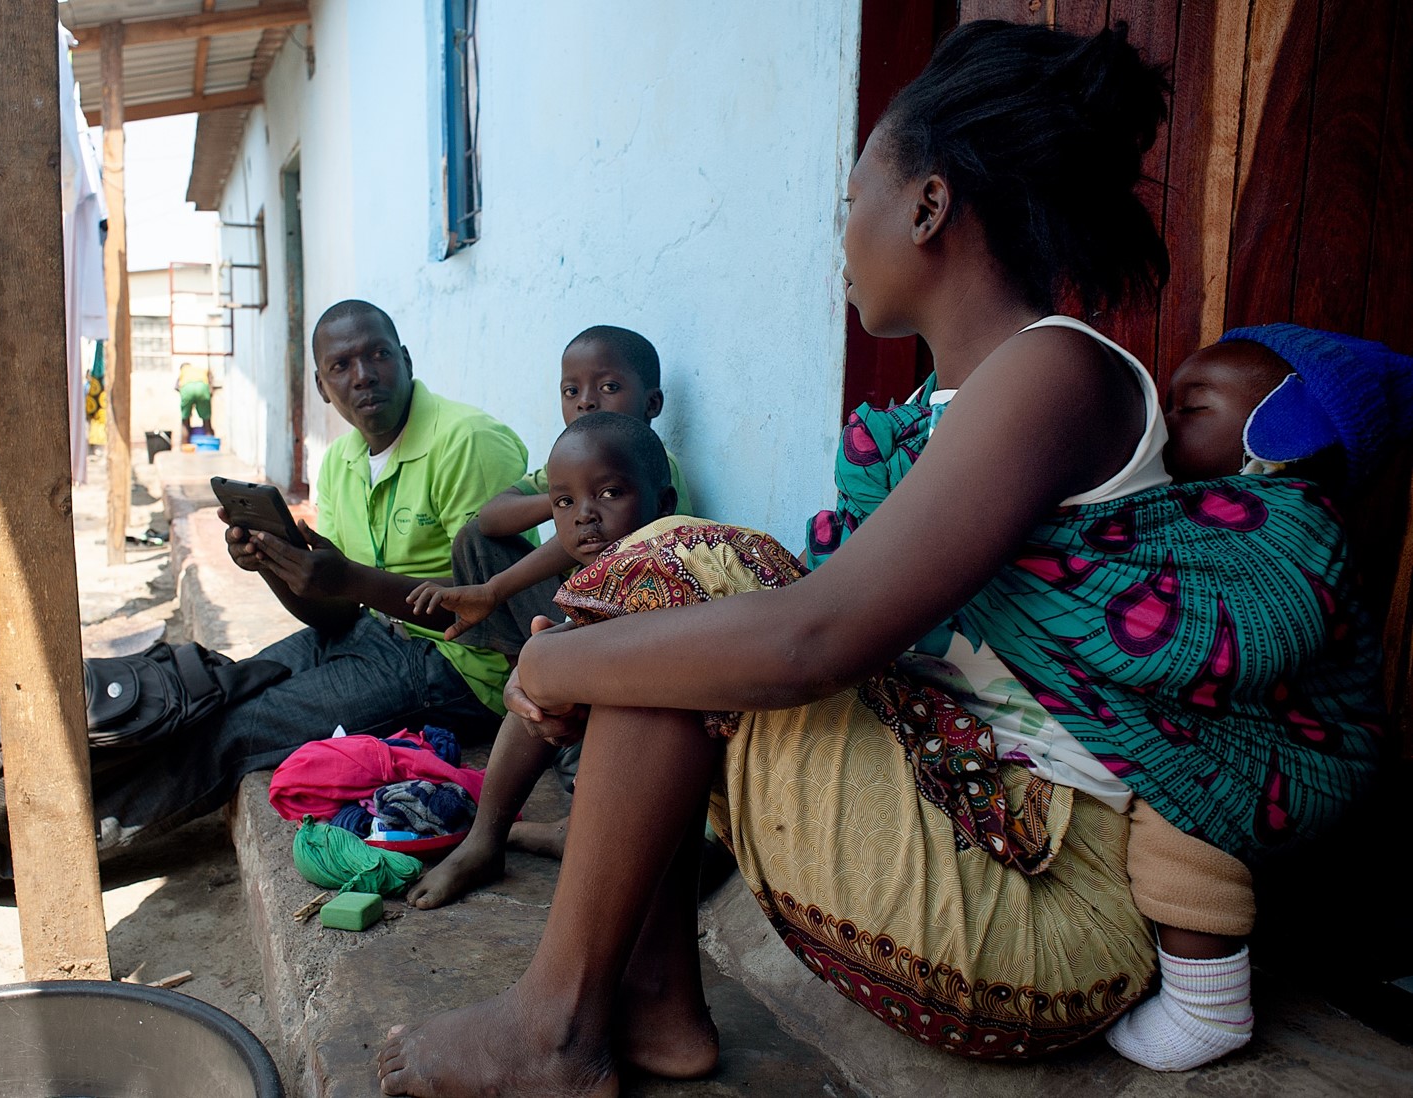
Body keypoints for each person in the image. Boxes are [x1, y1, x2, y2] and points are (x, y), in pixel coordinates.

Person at [376, 22, 1384, 1096]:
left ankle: (552, 1029)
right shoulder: (944, 407)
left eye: (848, 204)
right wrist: (598, 650)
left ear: (928, 206)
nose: (841, 237)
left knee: (673, 572)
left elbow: (815, 637)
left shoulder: (1053, 372)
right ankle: (651, 1003)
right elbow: (802, 623)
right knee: (678, 607)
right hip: (967, 827)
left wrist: (558, 664)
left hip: (1046, 912)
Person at [0, 300, 530, 901]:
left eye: (377, 355)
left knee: (232, 736)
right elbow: (335, 614)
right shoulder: (343, 462)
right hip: (374, 635)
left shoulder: (468, 443)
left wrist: (348, 583)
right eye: (341, 367)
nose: (363, 376)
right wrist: (278, 574)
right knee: (197, 689)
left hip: (460, 669)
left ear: (405, 357)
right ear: (321, 386)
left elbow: (495, 614)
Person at [1103, 323, 1413, 1070]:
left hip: (1296, 749)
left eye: (1191, 407)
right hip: (1242, 719)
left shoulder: (1297, 522)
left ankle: (1207, 1006)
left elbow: (1248, 637)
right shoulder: (1190, 506)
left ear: (1283, 430)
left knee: (1185, 812)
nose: (1164, 421)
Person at [405, 412, 680, 909]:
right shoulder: (598, 582)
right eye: (564, 502)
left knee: (632, 862)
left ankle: (546, 833)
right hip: (638, 765)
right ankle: (487, 840)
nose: (584, 516)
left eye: (611, 494)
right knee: (539, 667)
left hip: (694, 828)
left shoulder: (670, 567)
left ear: (664, 503)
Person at [417, 325, 693, 659]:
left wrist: (495, 589)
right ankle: (524, 666)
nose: (586, 402)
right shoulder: (568, 463)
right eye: (571, 391)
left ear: (651, 402)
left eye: (609, 387)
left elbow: (595, 538)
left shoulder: (657, 465)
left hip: (630, 610)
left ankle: (542, 671)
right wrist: (568, 498)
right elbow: (490, 518)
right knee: (475, 539)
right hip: (573, 601)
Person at [176, 360, 219, 444]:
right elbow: (210, 380)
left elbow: (177, 387)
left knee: (185, 421)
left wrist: (187, 402)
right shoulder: (200, 369)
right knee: (206, 420)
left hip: (187, 388)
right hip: (202, 387)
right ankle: (210, 444)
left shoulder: (183, 371)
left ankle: (185, 445)